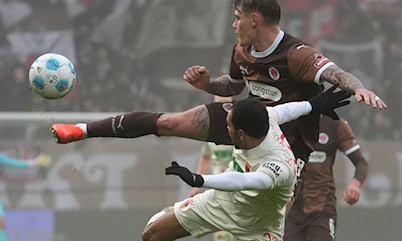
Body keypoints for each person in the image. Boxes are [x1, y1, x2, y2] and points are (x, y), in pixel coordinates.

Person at [51, 0, 386, 174]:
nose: (233, 24)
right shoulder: (241, 51)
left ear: (254, 19)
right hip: (246, 121)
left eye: (238, 16)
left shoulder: (297, 55)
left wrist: (359, 88)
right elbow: (233, 86)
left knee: (266, 223)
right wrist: (208, 84)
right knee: (168, 122)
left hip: (286, 147)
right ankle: (81, 130)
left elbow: (337, 74)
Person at [141, 85, 350, 241]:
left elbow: (245, 180)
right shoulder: (266, 118)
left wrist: (200, 180)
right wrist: (314, 105)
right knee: (151, 235)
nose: (225, 128)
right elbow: (288, 110)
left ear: (241, 134)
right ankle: (176, 211)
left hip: (259, 227)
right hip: (223, 203)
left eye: (229, 126)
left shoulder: (280, 164)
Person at [279, 115, 369, 241]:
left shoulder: (335, 124)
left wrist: (354, 184)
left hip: (322, 206)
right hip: (290, 206)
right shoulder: (288, 119)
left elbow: (361, 163)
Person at [188, 95, 235, 241]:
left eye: (226, 105)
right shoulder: (210, 132)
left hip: (241, 187)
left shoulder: (240, 129)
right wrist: (196, 186)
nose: (222, 109)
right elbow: (206, 157)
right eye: (218, 105)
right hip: (219, 189)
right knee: (222, 238)